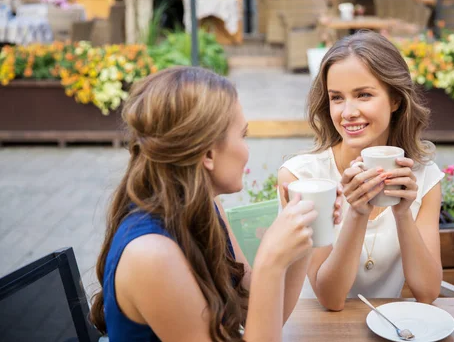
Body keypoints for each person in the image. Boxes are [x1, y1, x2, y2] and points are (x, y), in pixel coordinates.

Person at [89, 66, 341, 341]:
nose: (247, 151)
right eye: (243, 136)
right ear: (208, 153)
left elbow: (261, 313)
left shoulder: (206, 206)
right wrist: (270, 261)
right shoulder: (151, 254)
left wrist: (304, 235)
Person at [278, 31, 444, 311]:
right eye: (337, 98)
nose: (348, 112)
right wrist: (357, 212)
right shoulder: (301, 179)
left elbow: (427, 292)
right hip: (313, 327)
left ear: (395, 99)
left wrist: (403, 212)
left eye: (363, 95)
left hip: (386, 329)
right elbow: (330, 299)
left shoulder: (424, 178)